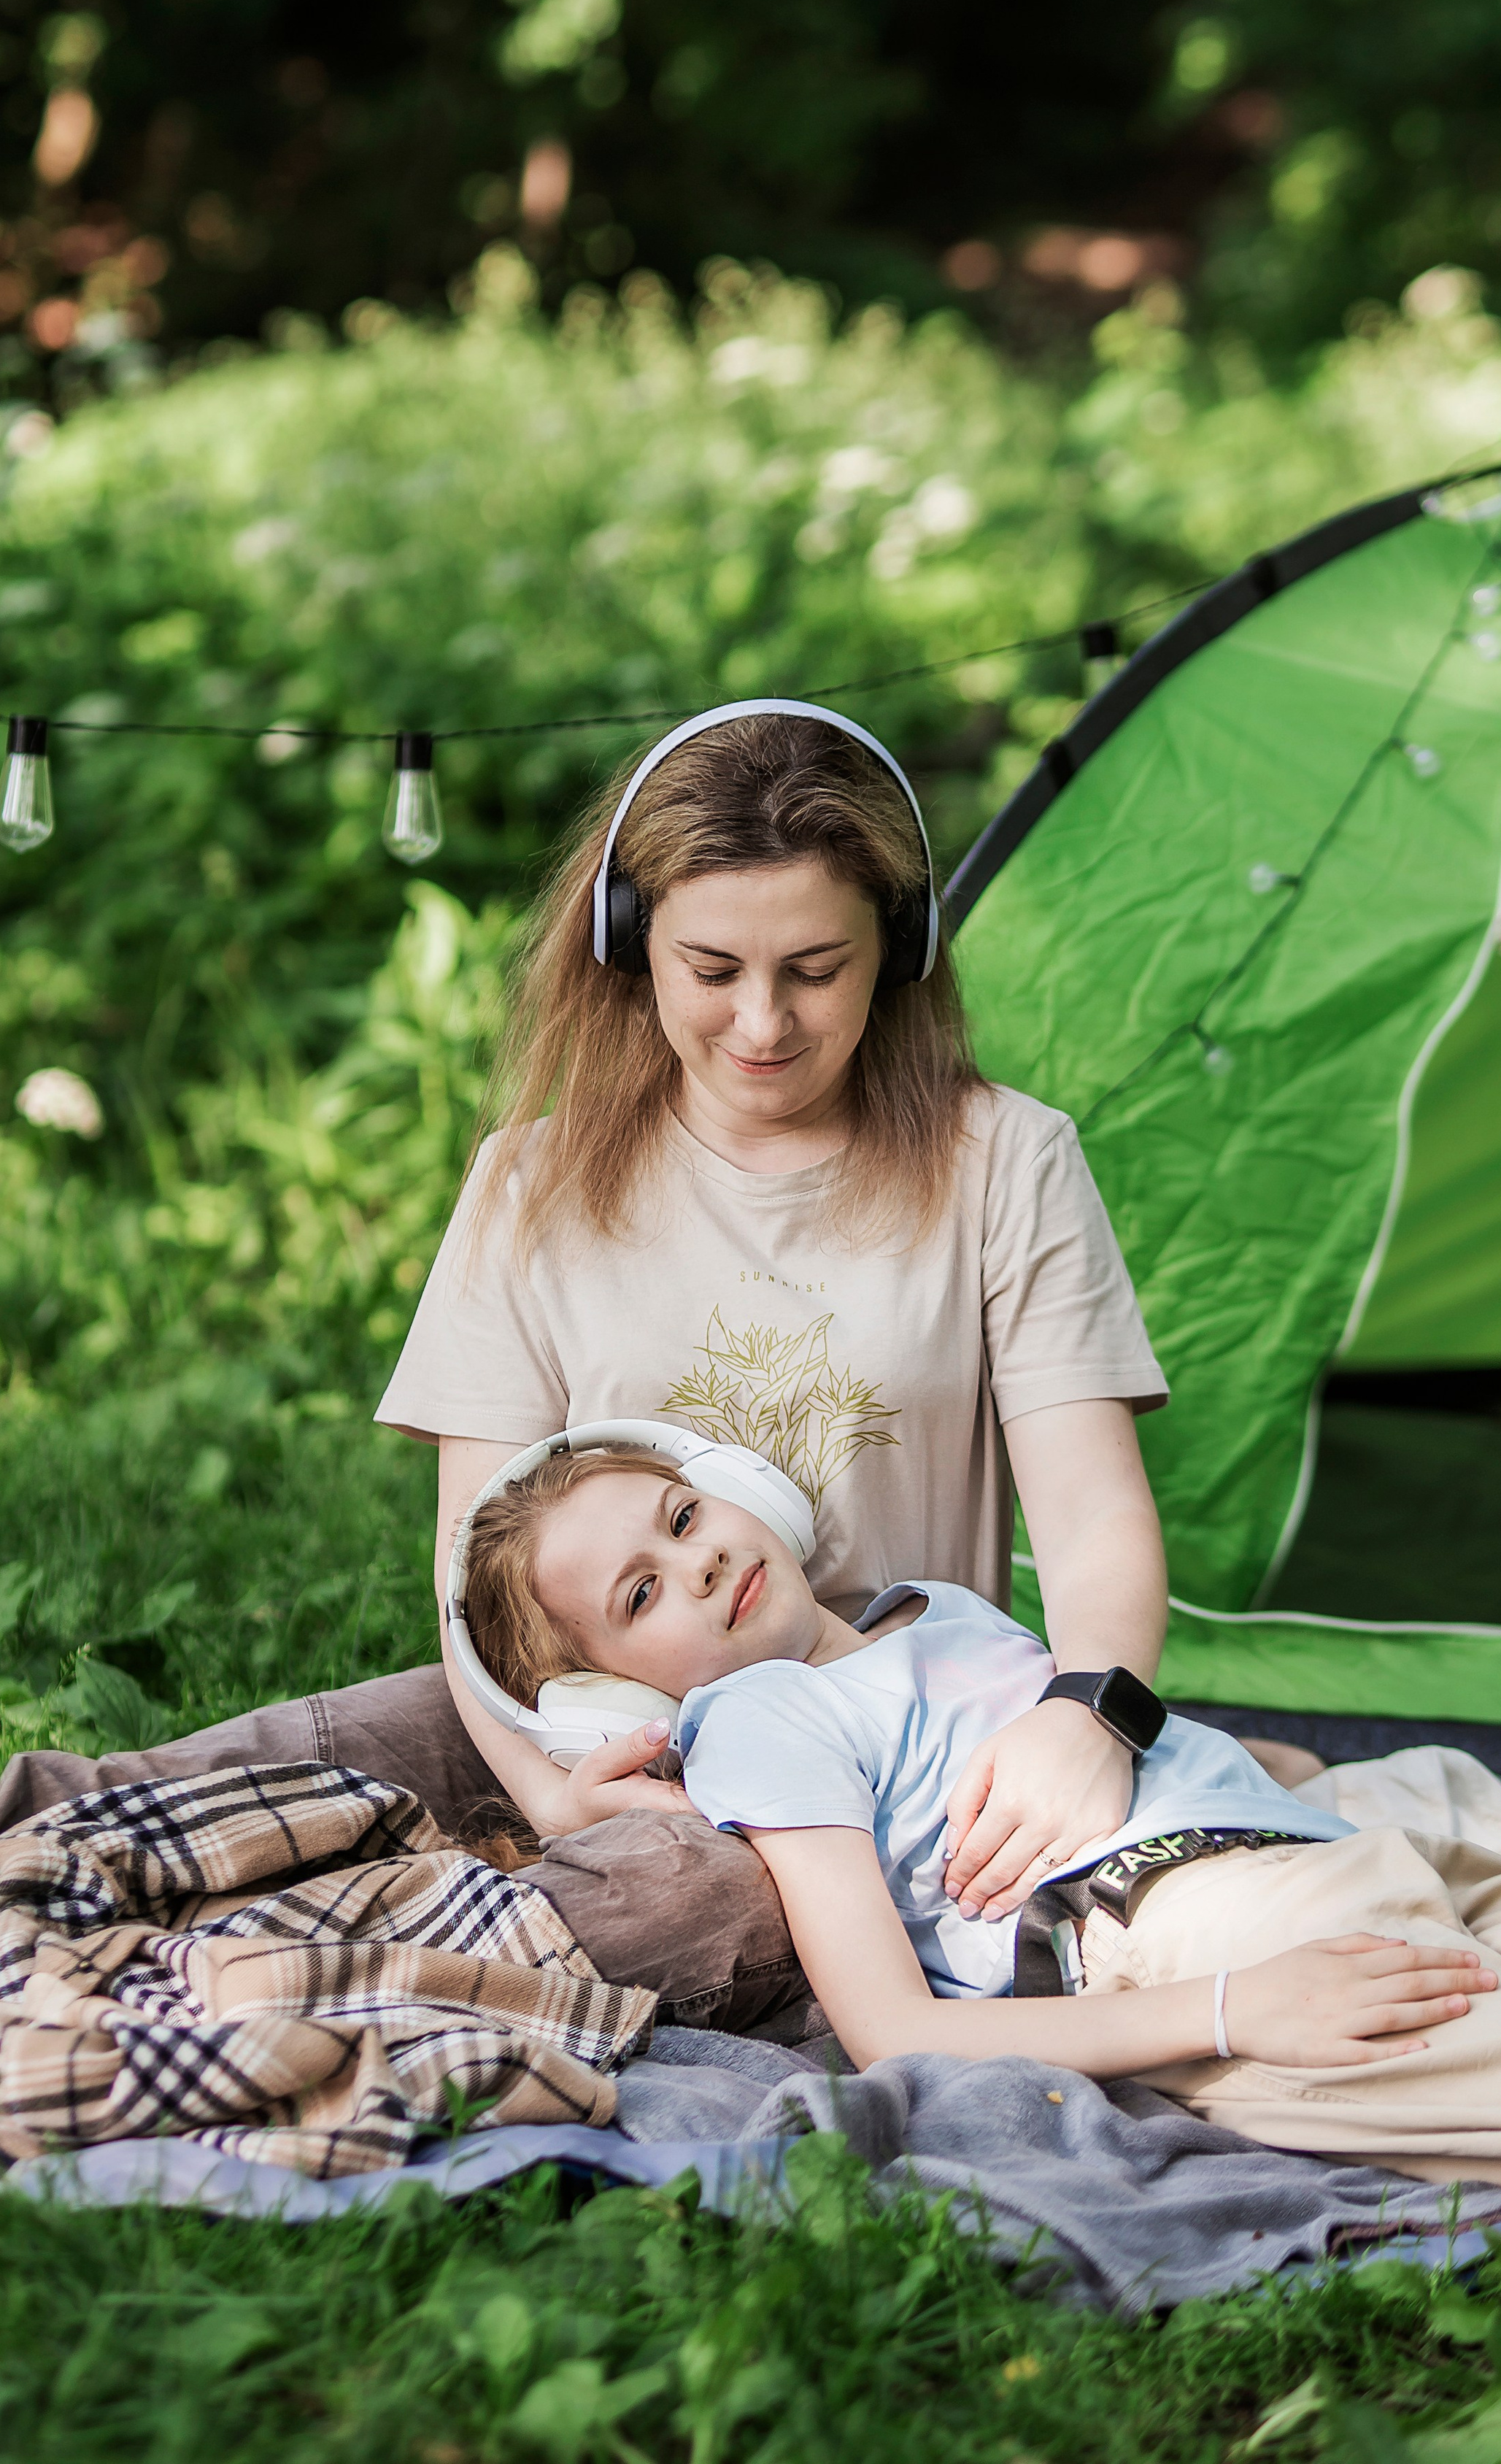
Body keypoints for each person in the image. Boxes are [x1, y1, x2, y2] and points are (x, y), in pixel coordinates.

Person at [460, 1441, 1501, 2221]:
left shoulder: (942, 1608)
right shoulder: (761, 1717)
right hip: (1196, 1934)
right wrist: (1238, 2014)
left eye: (684, 1519)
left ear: (740, 1494)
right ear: (622, 1696)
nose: (692, 1564)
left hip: (1320, 1845)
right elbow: (896, 2029)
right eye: (642, 1593)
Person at [377, 701, 1172, 1925]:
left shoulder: (1010, 1161)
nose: (762, 1024)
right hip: (645, 1763)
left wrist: (1092, 1716)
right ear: (631, 944)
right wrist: (559, 1808)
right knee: (307, 1749)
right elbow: (470, 1581)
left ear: (897, 949)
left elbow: (1093, 1513)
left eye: (815, 971)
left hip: (896, 1772)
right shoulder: (522, 1187)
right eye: (712, 971)